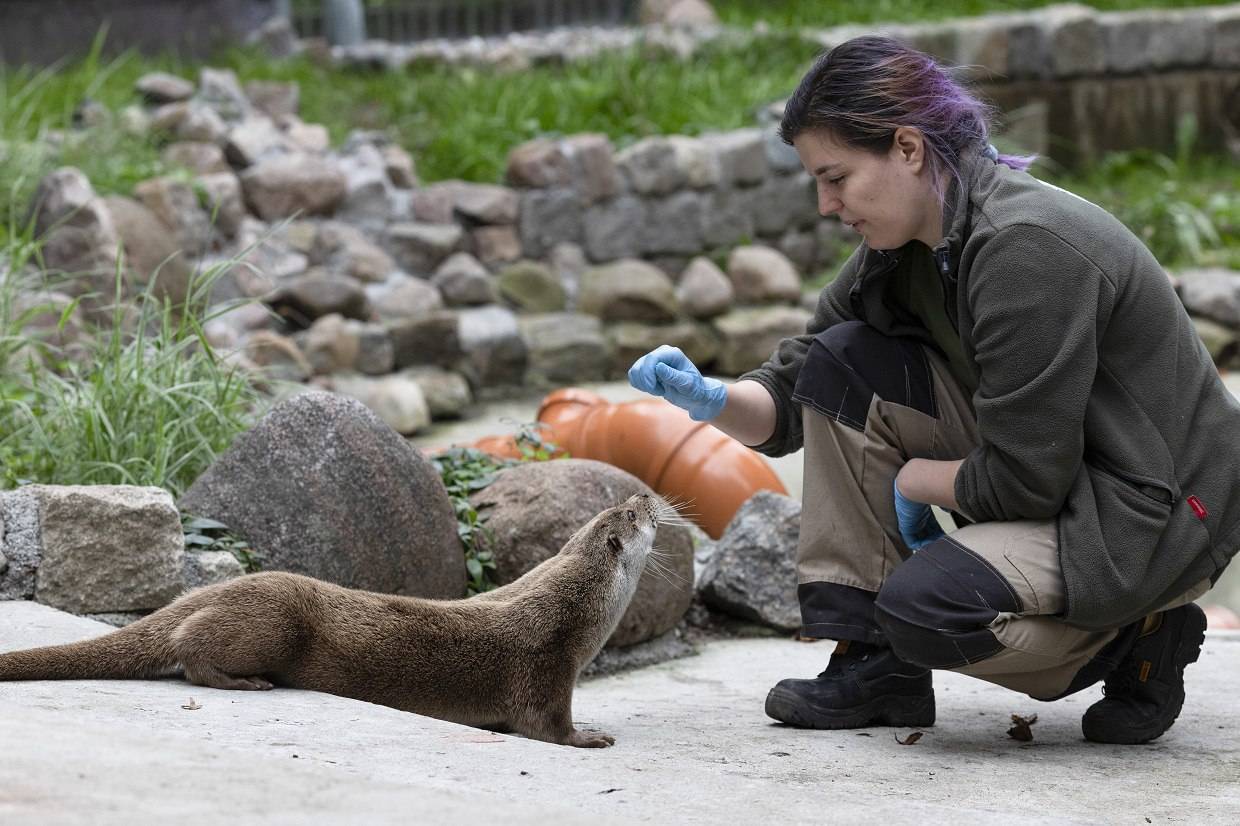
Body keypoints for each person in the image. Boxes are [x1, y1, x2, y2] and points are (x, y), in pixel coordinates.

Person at [628, 35, 1240, 744]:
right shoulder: (904, 244)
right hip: (1064, 466)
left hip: (1153, 506)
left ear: (909, 149)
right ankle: (872, 664)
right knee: (844, 358)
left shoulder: (1024, 246)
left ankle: (1140, 637)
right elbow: (802, 388)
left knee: (927, 611)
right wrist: (709, 398)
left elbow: (1025, 483)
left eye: (837, 177)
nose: (826, 204)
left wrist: (918, 480)